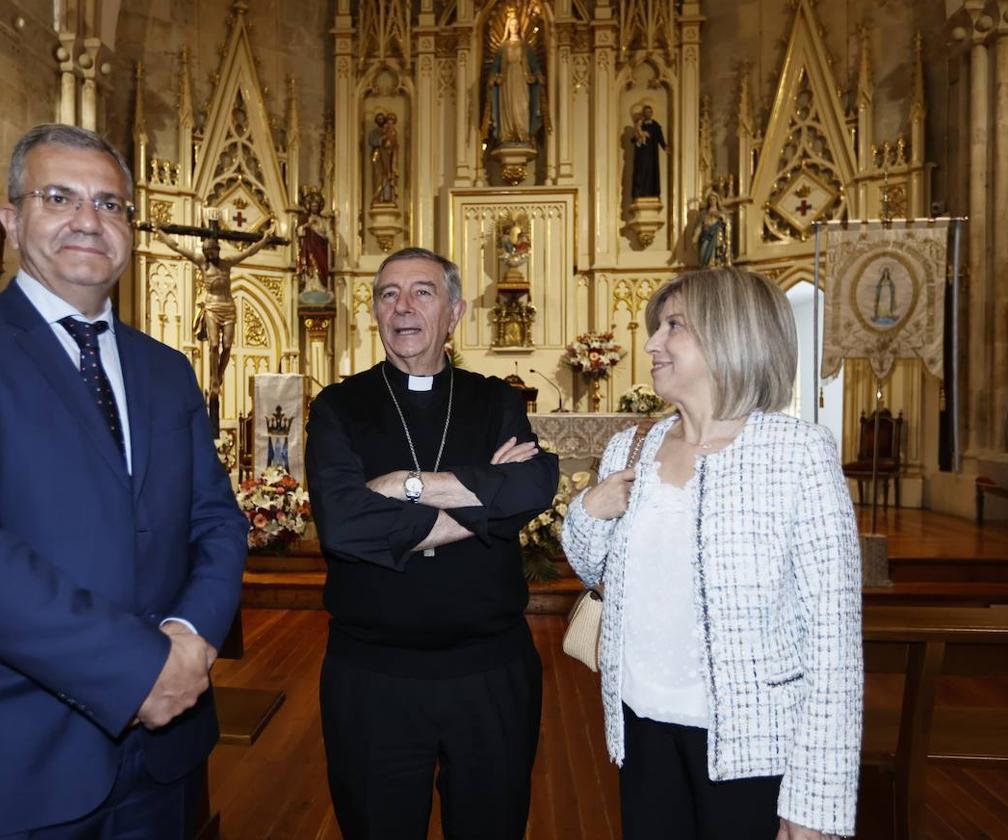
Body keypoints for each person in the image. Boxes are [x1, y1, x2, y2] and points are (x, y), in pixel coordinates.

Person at [0, 124, 249, 839]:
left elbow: (217, 522)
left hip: (165, 761)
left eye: (109, 204)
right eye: (59, 197)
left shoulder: (166, 369)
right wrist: (140, 668)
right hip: (7, 758)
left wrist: (190, 636)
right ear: (10, 219)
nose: (88, 221)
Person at [561, 267, 861, 840]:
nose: (651, 342)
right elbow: (592, 570)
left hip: (753, 742)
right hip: (641, 724)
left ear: (730, 335)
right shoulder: (633, 445)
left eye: (673, 326)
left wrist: (815, 805)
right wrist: (589, 512)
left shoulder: (797, 454)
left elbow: (834, 645)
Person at [306, 247, 559, 839]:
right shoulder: (339, 406)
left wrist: (403, 487)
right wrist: (482, 509)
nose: (403, 307)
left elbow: (533, 483)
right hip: (372, 676)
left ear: (455, 312)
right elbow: (343, 526)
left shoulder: (495, 400)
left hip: (490, 670)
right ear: (373, 312)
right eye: (388, 294)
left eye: (422, 292)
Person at [154, 222, 275, 398]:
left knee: (226, 346)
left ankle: (218, 374)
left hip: (228, 308)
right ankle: (214, 379)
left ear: (218, 250)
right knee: (214, 344)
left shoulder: (227, 263)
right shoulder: (203, 264)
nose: (211, 254)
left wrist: (265, 240)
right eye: (207, 251)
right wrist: (159, 232)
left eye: (213, 251)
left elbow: (249, 252)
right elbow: (177, 246)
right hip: (212, 306)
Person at [483, 10, 546, 147]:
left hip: (522, 80)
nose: (514, 27)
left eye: (516, 25)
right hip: (506, 81)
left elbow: (534, 63)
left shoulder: (525, 47)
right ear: (508, 27)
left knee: (522, 105)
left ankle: (523, 134)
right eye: (512, 25)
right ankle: (507, 134)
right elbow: (495, 66)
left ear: (519, 27)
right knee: (508, 108)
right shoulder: (502, 47)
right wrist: (492, 77)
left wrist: (538, 74)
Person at [630, 104, 667, 199]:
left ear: (652, 113)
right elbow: (633, 139)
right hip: (641, 154)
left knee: (651, 173)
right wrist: (638, 137)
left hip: (652, 155)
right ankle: (640, 193)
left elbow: (660, 138)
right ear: (643, 113)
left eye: (649, 112)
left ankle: (652, 193)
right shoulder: (640, 124)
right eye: (645, 112)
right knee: (641, 173)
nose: (647, 114)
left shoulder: (655, 125)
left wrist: (665, 147)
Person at [692, 191, 731, 267]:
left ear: (717, 200)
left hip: (716, 235)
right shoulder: (704, 214)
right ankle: (705, 265)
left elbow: (726, 224)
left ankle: (715, 264)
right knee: (703, 252)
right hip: (706, 235)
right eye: (710, 199)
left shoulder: (721, 212)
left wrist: (720, 216)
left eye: (714, 199)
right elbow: (700, 226)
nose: (712, 201)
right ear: (708, 201)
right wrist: (696, 236)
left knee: (716, 253)